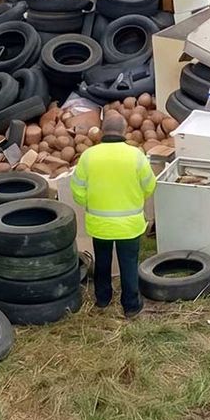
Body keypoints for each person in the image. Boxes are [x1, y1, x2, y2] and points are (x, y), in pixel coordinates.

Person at [71, 110, 157, 317]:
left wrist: (90, 203)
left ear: (101, 131)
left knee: (102, 261)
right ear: (125, 130)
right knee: (128, 264)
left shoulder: (88, 156)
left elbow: (77, 190)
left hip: (99, 224)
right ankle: (131, 305)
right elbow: (150, 186)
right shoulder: (136, 157)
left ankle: (102, 298)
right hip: (130, 224)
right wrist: (135, 198)